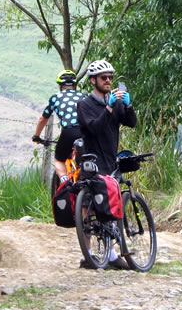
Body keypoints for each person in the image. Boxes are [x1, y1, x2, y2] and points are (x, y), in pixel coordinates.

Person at [75, 59, 137, 270]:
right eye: (104, 78)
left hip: (110, 160)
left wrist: (127, 105)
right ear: (93, 81)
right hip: (91, 162)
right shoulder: (84, 105)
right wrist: (109, 107)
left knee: (111, 204)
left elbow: (131, 122)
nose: (108, 80)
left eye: (110, 77)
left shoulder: (116, 102)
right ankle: (88, 255)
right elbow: (94, 128)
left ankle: (110, 254)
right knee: (87, 209)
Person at [31, 69, 88, 180]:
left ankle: (64, 182)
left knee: (59, 160)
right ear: (74, 85)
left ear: (60, 86)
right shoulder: (84, 96)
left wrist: (36, 136)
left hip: (69, 132)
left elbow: (43, 118)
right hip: (86, 132)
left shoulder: (56, 97)